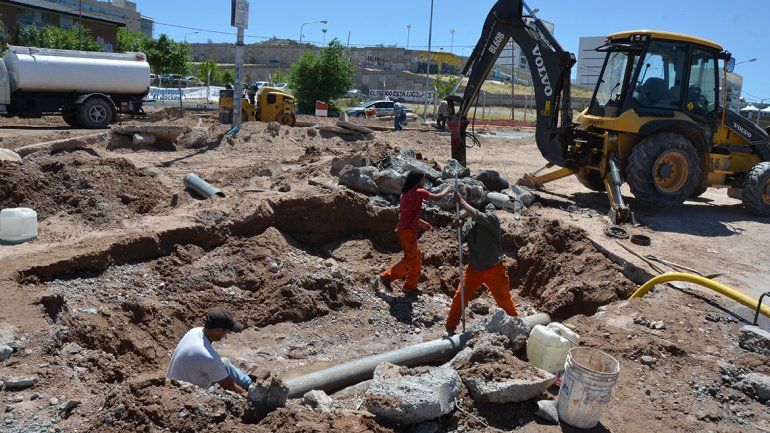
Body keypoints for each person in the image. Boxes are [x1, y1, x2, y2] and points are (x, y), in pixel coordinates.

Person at [445, 194, 518, 334]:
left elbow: (477, 215)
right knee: (459, 297)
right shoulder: (469, 223)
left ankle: (514, 326)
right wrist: (458, 228)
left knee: (504, 301)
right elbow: (461, 239)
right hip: (474, 268)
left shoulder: (491, 219)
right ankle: (450, 327)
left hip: (494, 268)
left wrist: (462, 201)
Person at [380, 171, 453, 293]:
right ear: (418, 180)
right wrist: (447, 190)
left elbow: (409, 214)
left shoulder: (405, 193)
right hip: (408, 231)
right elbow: (436, 197)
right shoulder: (418, 191)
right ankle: (386, 277)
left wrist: (422, 223)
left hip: (405, 229)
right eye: (423, 179)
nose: (425, 181)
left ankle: (410, 286)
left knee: (417, 258)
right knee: (411, 259)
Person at [167, 308, 252, 394]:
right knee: (217, 397)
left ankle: (250, 384)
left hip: (175, 382)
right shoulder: (208, 357)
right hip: (186, 393)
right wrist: (245, 396)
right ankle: (253, 394)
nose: (227, 333)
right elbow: (229, 386)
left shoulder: (195, 331)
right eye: (227, 330)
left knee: (224, 362)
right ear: (218, 330)